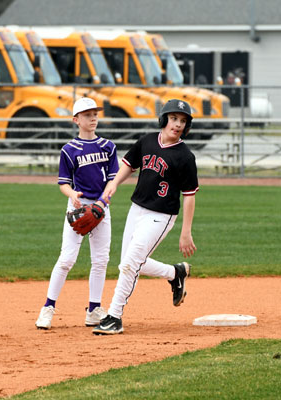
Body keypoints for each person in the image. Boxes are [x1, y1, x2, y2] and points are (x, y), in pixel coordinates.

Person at [92, 99, 199, 335]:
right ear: (164, 119)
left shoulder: (185, 157)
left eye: (182, 121)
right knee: (128, 263)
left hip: (161, 216)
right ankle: (175, 273)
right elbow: (129, 165)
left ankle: (114, 316)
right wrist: (114, 184)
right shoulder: (147, 141)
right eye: (173, 118)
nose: (177, 124)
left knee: (131, 263)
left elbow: (189, 196)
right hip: (137, 209)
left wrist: (186, 231)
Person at [35, 97, 119, 329]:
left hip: (102, 207)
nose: (93, 118)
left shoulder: (108, 146)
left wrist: (102, 202)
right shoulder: (69, 150)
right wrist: (72, 194)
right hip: (79, 207)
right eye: (87, 115)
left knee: (100, 261)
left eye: (95, 114)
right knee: (67, 259)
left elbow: (113, 180)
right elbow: (63, 183)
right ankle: (47, 308)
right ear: (76, 120)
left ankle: (94, 310)